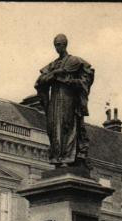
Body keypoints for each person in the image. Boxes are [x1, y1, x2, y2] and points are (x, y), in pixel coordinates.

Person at [34, 34, 94, 167]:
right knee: (54, 127)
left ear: (65, 44)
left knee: (67, 126)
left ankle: (67, 158)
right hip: (55, 98)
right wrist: (54, 75)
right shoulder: (53, 64)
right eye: (55, 45)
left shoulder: (75, 61)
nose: (57, 48)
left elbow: (87, 77)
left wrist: (68, 80)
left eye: (59, 45)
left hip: (68, 98)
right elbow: (40, 80)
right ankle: (57, 158)